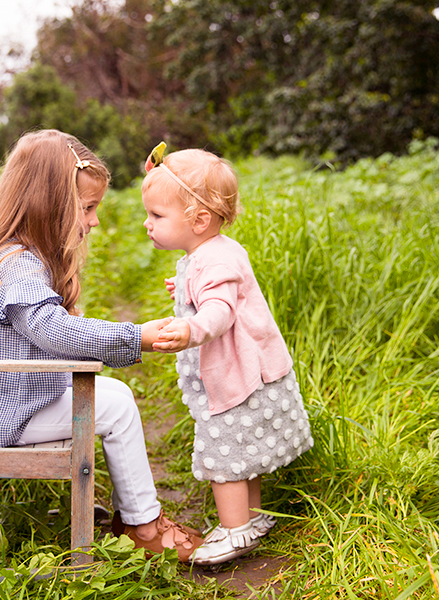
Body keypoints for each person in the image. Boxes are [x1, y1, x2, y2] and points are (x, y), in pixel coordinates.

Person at [0, 129, 203, 561]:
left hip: (5, 402)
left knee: (116, 397)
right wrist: (137, 337)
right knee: (116, 406)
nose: (94, 221)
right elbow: (54, 331)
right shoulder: (16, 263)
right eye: (89, 208)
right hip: (0, 416)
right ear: (50, 204)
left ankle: (135, 515)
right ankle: (143, 526)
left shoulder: (15, 255)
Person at [142, 146, 314, 566]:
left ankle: (236, 531)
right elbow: (212, 286)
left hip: (237, 378)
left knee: (226, 454)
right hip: (252, 373)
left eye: (156, 216)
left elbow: (220, 310)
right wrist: (182, 287)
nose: (147, 225)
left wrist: (191, 327)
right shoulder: (209, 252)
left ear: (199, 220)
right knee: (246, 448)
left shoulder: (214, 259)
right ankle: (253, 518)